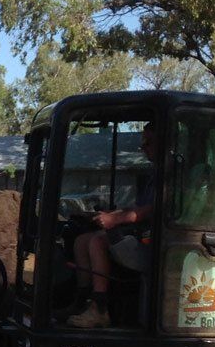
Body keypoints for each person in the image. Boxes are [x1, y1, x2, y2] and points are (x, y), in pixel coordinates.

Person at [66, 124, 157, 329]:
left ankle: (100, 309)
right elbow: (137, 207)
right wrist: (110, 214)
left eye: (148, 142)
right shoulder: (153, 175)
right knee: (81, 241)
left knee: (98, 241)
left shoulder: (171, 175)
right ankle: (83, 301)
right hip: (140, 233)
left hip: (154, 243)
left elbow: (151, 210)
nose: (143, 147)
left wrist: (116, 220)